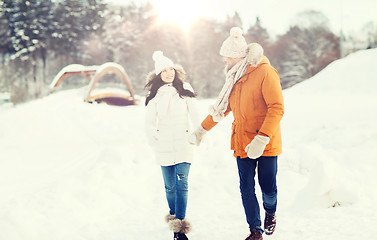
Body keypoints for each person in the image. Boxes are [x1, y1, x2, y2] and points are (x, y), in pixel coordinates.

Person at [189, 27, 284, 240]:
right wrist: (201, 130)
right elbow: (223, 109)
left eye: (226, 57)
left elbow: (276, 107)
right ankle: (255, 230)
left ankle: (270, 213)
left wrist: (262, 138)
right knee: (246, 188)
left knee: (268, 186)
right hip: (242, 141)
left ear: (238, 56)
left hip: (265, 142)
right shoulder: (234, 78)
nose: (224, 61)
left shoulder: (265, 72)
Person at [145, 51, 201, 240]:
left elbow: (195, 114)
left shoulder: (184, 89)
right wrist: (153, 137)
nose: (169, 73)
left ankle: (180, 228)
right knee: (169, 187)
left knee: (181, 183)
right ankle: (173, 214)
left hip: (183, 142)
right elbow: (149, 122)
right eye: (164, 71)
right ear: (159, 74)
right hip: (164, 144)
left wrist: (198, 133)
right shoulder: (155, 94)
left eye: (171, 69)